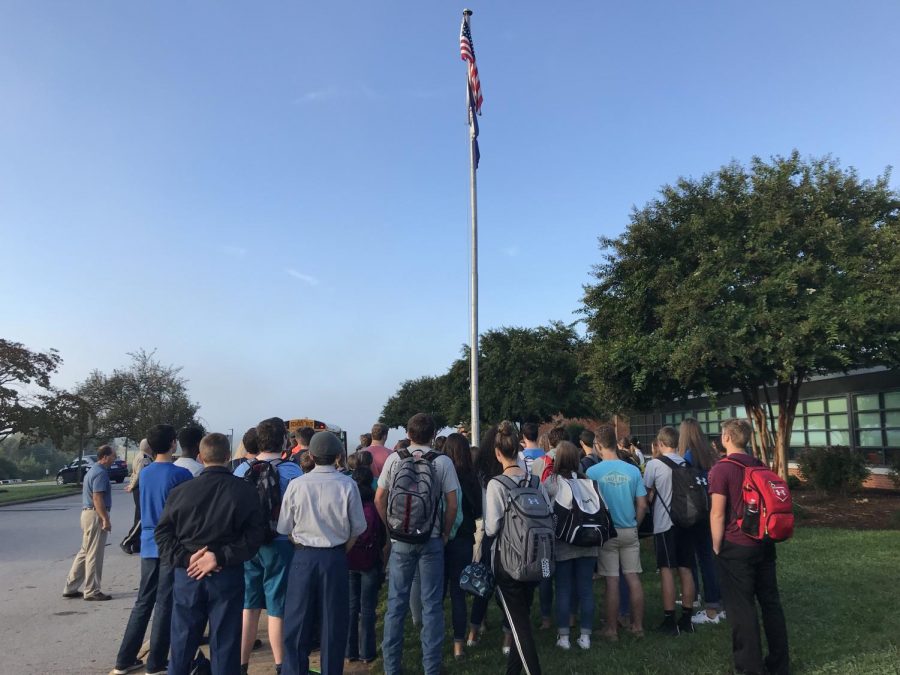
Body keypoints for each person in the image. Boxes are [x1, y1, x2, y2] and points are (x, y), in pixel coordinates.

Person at [155, 432, 266, 675]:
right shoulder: (245, 491)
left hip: (189, 574)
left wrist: (187, 558)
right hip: (227, 574)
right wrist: (220, 556)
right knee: (225, 644)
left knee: (182, 643)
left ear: (200, 457)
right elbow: (255, 536)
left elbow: (162, 535)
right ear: (228, 457)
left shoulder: (180, 492)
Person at [376, 413, 459, 675]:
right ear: (433, 435)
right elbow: (453, 504)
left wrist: (391, 528)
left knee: (396, 604)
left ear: (409, 434)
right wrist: (444, 533)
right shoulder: (442, 461)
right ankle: (431, 667)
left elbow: (380, 498)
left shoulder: (394, 459)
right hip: (431, 539)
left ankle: (391, 667)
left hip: (400, 539)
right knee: (432, 604)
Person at [278, 431, 367, 675]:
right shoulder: (347, 484)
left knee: (297, 624)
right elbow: (357, 528)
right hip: (335, 557)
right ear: (338, 456)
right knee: (333, 625)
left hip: (303, 557)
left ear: (311, 455)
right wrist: (340, 550)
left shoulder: (297, 485)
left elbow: (284, 527)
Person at [709, 419, 789, 675]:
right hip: (765, 542)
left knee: (742, 608)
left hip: (737, 544)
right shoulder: (760, 465)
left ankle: (750, 667)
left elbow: (718, 513)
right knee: (770, 603)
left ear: (726, 438)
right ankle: (779, 664)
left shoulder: (722, 469)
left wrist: (716, 546)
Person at [113, 424, 192, 675]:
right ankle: (156, 661)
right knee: (165, 603)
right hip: (171, 542)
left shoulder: (145, 473)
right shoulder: (180, 475)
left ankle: (125, 658)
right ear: (172, 444)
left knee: (143, 601)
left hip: (148, 541)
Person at [233, 417, 303, 674]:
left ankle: (241, 664)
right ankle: (281, 665)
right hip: (281, 543)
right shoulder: (292, 471)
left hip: (247, 545)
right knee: (277, 606)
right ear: (284, 440)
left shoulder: (241, 471)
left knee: (249, 604)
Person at [484, 421, 544, 675]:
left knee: (519, 627)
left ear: (498, 453)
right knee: (521, 619)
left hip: (508, 562)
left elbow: (491, 528)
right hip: (534, 557)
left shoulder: (497, 484)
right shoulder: (535, 481)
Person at [587, 426, 648, 640]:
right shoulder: (632, 470)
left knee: (611, 580)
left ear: (598, 445)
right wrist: (635, 524)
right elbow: (642, 504)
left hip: (607, 532)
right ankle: (637, 626)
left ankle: (611, 629)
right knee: (633, 577)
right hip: (629, 529)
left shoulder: (593, 472)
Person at [540, 440, 597, 650]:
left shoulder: (552, 482)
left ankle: (563, 636)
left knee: (563, 589)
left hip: (563, 541)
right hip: (589, 540)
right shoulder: (587, 480)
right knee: (586, 589)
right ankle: (586, 636)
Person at [644, 426, 696, 635]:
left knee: (666, 569)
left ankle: (669, 619)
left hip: (665, 523)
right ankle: (687, 617)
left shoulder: (654, 464)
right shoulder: (686, 463)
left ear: (661, 443)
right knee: (686, 568)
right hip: (687, 521)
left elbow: (647, 493)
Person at [679, 417, 724, 625]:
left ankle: (710, 605)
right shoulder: (710, 455)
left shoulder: (687, 456)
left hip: (694, 511)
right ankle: (710, 598)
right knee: (708, 556)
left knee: (699, 557)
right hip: (711, 508)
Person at [442, 432, 483, 660]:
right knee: (459, 593)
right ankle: (458, 645)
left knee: (436, 594)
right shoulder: (471, 476)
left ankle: (434, 643)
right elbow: (478, 510)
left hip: (441, 538)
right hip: (464, 539)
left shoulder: (440, 474)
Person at [63, 444, 117, 601]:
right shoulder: (100, 473)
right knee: (94, 553)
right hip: (95, 514)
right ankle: (92, 590)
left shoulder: (93, 470)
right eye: (113, 455)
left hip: (87, 514)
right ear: (105, 457)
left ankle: (71, 587)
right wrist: (105, 519)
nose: (115, 459)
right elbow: (97, 497)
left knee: (85, 552)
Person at [345, 465, 385, 664]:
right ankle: (367, 652)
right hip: (369, 559)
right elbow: (381, 534)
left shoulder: (348, 502)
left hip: (349, 558)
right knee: (367, 608)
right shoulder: (373, 505)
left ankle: (350, 650)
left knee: (351, 606)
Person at [467, 426, 501, 649]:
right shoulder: (508, 469)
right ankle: (510, 633)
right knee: (508, 586)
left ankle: (474, 631)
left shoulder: (478, 469)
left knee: (482, 583)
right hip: (508, 533)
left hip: (485, 528)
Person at [124, 439, 152, 530]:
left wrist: (131, 484)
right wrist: (131, 486)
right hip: (140, 487)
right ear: (148, 447)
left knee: (139, 512)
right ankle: (132, 538)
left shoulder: (139, 455)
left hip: (138, 487)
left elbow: (134, 473)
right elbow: (140, 474)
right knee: (140, 514)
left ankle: (136, 539)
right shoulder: (144, 458)